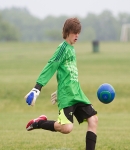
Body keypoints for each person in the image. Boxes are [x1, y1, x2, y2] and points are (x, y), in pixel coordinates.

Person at [24, 17, 98, 150]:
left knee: (93, 120)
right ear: (68, 32)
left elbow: (68, 73)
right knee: (67, 128)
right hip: (67, 96)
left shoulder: (72, 48)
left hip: (77, 93)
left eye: (78, 33)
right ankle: (39, 123)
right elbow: (51, 66)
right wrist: (37, 88)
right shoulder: (62, 48)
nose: (77, 35)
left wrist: (61, 87)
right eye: (75, 32)